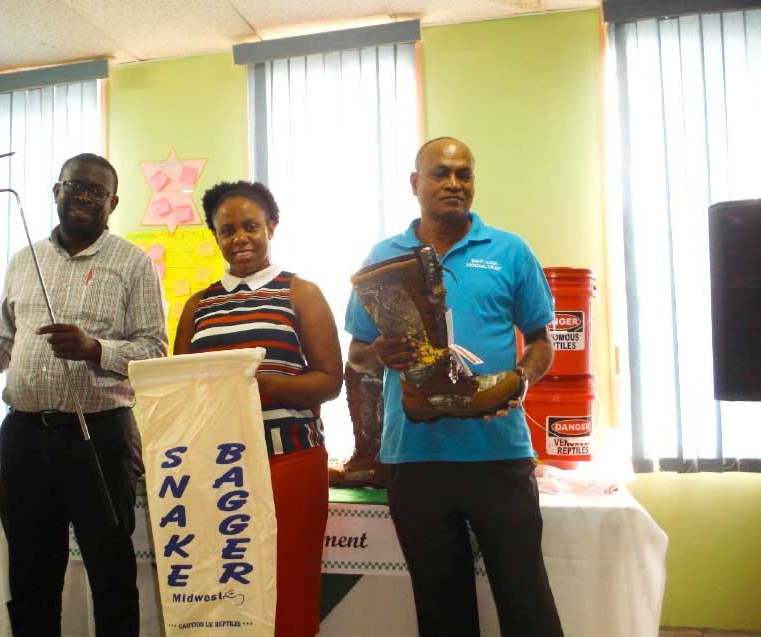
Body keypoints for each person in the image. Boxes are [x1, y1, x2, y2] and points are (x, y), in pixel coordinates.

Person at [345, 137, 564, 637]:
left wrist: (518, 381)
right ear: (415, 182)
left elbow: (540, 342)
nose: (453, 184)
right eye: (440, 173)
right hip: (416, 458)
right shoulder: (384, 258)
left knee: (526, 600)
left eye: (464, 174)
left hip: (498, 453)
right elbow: (357, 356)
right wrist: (379, 353)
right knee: (441, 609)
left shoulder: (509, 251)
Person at [0, 153, 168, 637]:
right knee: (30, 571)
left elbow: (154, 350)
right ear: (56, 191)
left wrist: (95, 349)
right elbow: (3, 340)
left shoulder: (133, 263)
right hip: (25, 437)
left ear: (113, 203)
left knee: (110, 570)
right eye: (76, 187)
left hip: (101, 437)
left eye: (96, 192)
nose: (84, 198)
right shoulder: (24, 261)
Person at [174, 180, 342, 637]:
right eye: (227, 230)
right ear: (215, 236)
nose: (240, 238)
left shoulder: (299, 292)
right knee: (225, 592)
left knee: (290, 584)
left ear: (272, 226)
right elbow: (181, 389)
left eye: (251, 226)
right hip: (217, 467)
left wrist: (264, 386)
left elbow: (330, 381)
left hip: (288, 462)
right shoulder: (199, 305)